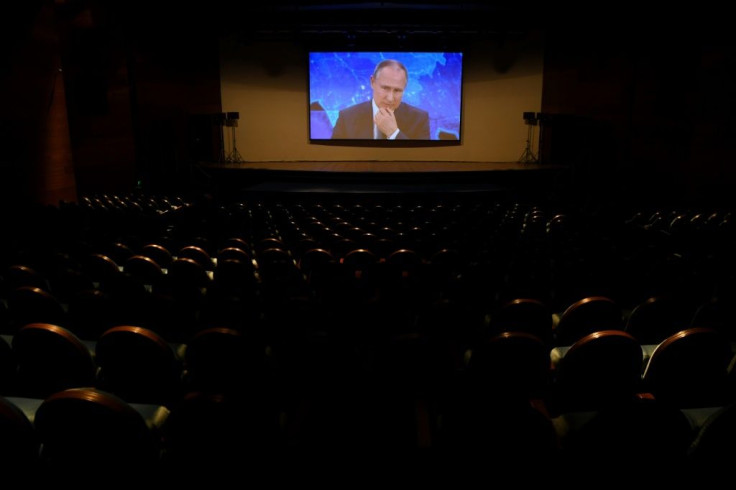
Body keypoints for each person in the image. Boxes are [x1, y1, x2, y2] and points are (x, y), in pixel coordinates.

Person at [331, 59, 430, 140]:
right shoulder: (347, 117)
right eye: (385, 88)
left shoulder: (419, 119)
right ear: (372, 82)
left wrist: (394, 133)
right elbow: (333, 161)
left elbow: (424, 163)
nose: (390, 98)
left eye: (397, 90)